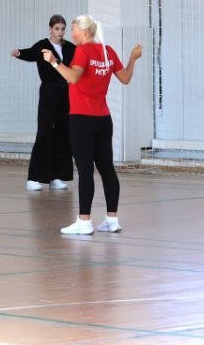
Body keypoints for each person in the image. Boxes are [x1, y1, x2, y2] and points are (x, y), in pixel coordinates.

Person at [41, 15, 142, 235]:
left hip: (82, 120)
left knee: (85, 171)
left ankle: (84, 221)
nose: (71, 33)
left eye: (74, 29)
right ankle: (112, 219)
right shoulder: (108, 51)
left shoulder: (83, 51)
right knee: (107, 169)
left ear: (84, 32)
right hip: (103, 120)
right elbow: (125, 78)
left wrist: (54, 62)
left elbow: (73, 78)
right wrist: (133, 58)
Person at [12, 15, 76, 191]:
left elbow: (77, 66)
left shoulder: (70, 47)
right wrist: (19, 53)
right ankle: (34, 177)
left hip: (66, 93)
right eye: (57, 28)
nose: (60, 32)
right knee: (44, 133)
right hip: (49, 93)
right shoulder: (42, 45)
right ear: (50, 29)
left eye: (63, 28)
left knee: (63, 134)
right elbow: (30, 54)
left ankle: (57, 176)